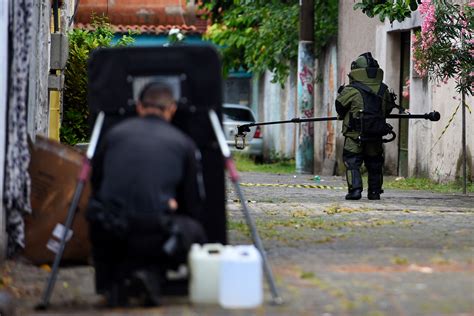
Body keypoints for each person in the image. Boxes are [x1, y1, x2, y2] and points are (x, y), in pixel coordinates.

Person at [86, 82, 206, 306]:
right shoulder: (183, 143)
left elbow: (96, 184)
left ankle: (112, 283)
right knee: (195, 230)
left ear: (140, 107)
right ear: (171, 109)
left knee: (100, 215)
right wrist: (171, 205)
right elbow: (193, 201)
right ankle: (152, 276)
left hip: (109, 232)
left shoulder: (113, 135)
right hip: (155, 234)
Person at [335, 52, 397, 200]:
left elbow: (339, 106)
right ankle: (374, 192)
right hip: (375, 134)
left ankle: (355, 191)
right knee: (374, 163)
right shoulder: (384, 89)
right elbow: (388, 109)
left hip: (354, 135)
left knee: (352, 162)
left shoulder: (351, 90)